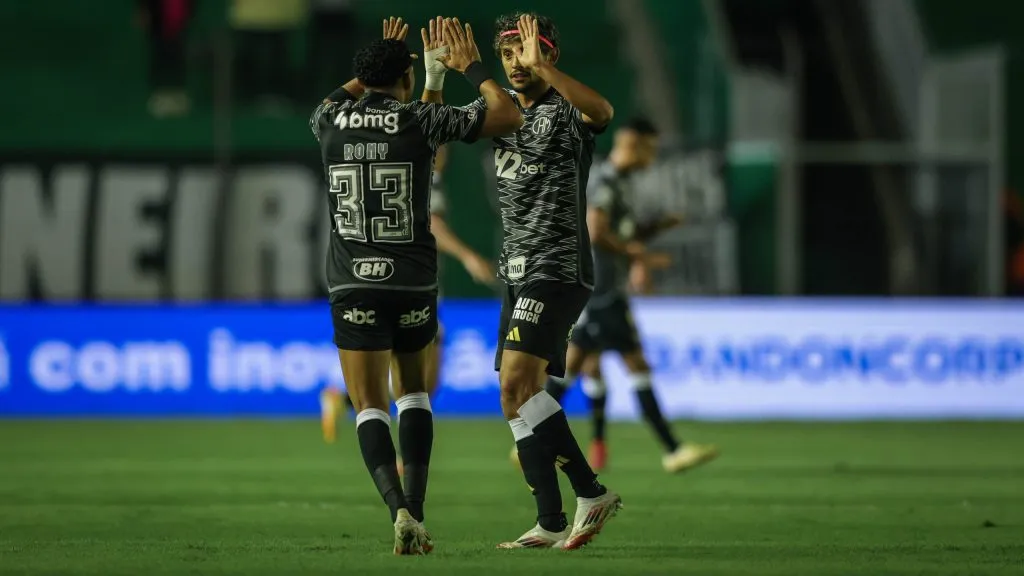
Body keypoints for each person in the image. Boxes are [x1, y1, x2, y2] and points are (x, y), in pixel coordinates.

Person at [309, 16, 523, 555]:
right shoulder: (420, 121)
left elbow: (345, 94)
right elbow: (505, 113)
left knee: (369, 404)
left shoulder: (329, 121)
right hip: (411, 281)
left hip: (352, 280)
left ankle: (397, 508)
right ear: (405, 82)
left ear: (362, 79)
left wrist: (388, 62)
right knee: (415, 393)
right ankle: (420, 510)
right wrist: (455, 70)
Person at [465, 12, 620, 550]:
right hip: (516, 270)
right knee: (514, 398)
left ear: (549, 56)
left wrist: (546, 70)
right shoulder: (498, 112)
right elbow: (438, 137)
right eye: (507, 55)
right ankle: (550, 521)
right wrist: (441, 78)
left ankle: (590, 492)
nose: (516, 64)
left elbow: (603, 111)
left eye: (527, 53)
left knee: (514, 384)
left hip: (556, 266)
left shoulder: (565, 110)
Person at [533, 118, 720, 474]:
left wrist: (653, 229)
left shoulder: (619, 183)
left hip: (598, 289)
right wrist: (639, 256)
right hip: (602, 291)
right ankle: (673, 449)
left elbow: (619, 236)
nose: (653, 156)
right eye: (650, 148)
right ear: (633, 144)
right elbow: (596, 232)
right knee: (635, 365)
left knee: (571, 368)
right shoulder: (607, 181)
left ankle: (530, 438)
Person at [318, 143, 496, 444]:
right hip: (416, 287)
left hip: (384, 280)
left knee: (423, 380)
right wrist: (468, 256)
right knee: (419, 382)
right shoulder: (429, 178)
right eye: (441, 147)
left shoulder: (398, 172)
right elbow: (434, 226)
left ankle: (343, 400)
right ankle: (402, 455)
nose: (446, 154)